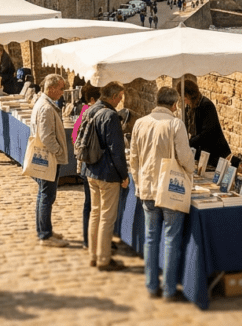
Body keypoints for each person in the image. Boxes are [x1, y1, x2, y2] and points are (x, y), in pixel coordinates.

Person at [129, 86, 195, 300]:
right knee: (171, 239)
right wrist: (192, 169)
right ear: (175, 104)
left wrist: (139, 183)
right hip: (169, 189)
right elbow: (185, 158)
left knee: (150, 238)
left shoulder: (140, 123)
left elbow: (134, 159)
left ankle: (151, 285)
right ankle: (168, 289)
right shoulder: (175, 124)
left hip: (147, 188)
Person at [83, 81, 129, 272]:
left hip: (91, 170)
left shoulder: (90, 110)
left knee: (95, 213)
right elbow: (116, 151)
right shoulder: (110, 115)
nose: (120, 101)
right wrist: (123, 175)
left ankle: (93, 256)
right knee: (106, 218)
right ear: (114, 96)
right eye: (119, 97)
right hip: (107, 172)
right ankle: (103, 259)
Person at [31, 74, 69, 247]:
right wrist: (59, 151)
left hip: (47, 157)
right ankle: (45, 235)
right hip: (49, 158)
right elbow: (47, 137)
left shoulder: (43, 103)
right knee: (46, 195)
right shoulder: (46, 107)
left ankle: (44, 230)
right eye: (61, 88)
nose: (62, 92)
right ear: (52, 88)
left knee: (44, 194)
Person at [70, 84, 101, 249]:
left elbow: (74, 136)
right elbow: (76, 137)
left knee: (90, 203)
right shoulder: (90, 112)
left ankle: (93, 239)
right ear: (93, 99)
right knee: (91, 204)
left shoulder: (84, 111)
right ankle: (89, 240)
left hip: (83, 164)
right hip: (89, 164)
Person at [183, 80, 231, 167]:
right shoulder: (188, 109)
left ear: (190, 95)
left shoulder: (206, 105)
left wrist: (188, 143)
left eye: (184, 97)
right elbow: (186, 127)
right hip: (202, 153)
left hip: (215, 153)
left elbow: (207, 133)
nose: (183, 100)